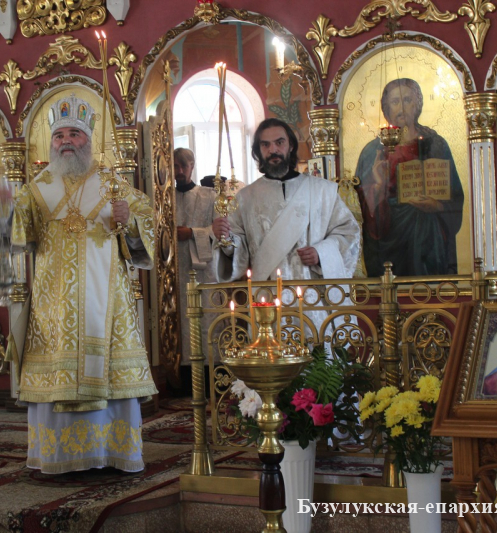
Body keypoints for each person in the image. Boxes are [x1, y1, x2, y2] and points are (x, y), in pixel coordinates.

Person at [0, 95, 157, 474]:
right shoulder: (37, 188)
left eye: (74, 134)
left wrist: (128, 220)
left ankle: (112, 453)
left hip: (107, 302)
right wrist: (2, 208)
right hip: (54, 306)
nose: (66, 141)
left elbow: (145, 233)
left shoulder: (113, 185)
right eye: (59, 135)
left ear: (88, 140)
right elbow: (12, 237)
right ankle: (59, 458)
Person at [212, 118, 360, 333]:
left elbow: (348, 233)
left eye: (279, 142)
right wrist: (225, 238)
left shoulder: (322, 191)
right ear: (258, 151)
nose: (273, 150)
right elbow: (238, 247)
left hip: (313, 299)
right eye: (265, 144)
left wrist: (321, 253)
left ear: (290, 145)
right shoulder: (246, 197)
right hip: (267, 300)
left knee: (317, 352)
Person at [354, 78, 464, 277]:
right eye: (395, 101)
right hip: (389, 239)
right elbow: (359, 207)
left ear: (417, 104)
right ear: (386, 107)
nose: (402, 108)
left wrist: (437, 206)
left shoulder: (435, 145)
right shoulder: (372, 151)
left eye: (407, 100)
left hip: (429, 238)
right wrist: (378, 186)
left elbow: (455, 195)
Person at [174, 148, 217, 367]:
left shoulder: (209, 196)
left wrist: (192, 233)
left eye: (184, 166)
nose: (180, 171)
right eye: (175, 166)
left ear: (192, 166)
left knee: (205, 318)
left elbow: (220, 231)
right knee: (180, 320)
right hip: (174, 271)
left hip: (203, 272)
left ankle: (209, 369)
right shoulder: (164, 198)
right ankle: (180, 372)